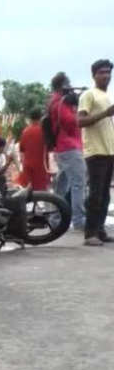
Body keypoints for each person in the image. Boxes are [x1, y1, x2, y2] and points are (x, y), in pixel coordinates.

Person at [77, 59, 114, 246]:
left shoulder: (106, 96)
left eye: (108, 72)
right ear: (94, 75)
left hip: (108, 151)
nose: (106, 76)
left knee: (105, 195)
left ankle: (99, 230)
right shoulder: (88, 95)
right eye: (102, 72)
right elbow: (81, 121)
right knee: (96, 194)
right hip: (95, 151)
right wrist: (105, 114)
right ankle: (90, 233)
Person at [49, 72, 85, 232]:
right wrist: (76, 110)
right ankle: (79, 220)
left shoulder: (55, 100)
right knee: (79, 183)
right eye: (68, 83)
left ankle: (55, 218)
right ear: (63, 85)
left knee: (61, 186)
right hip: (69, 147)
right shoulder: (60, 101)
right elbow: (70, 122)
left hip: (62, 148)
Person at [18, 108, 50, 191]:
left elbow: (22, 151)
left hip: (28, 167)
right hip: (41, 168)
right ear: (41, 117)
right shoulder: (44, 131)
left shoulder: (25, 132)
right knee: (41, 195)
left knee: (28, 195)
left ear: (30, 118)